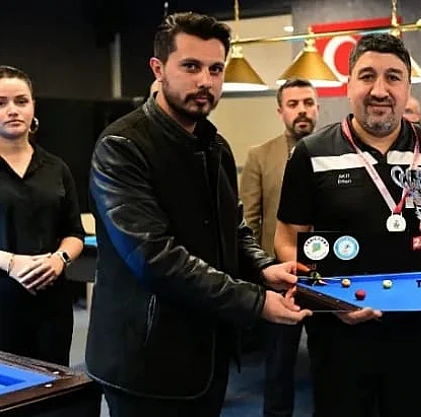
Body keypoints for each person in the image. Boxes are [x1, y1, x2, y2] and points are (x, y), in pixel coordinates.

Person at [85, 12, 311, 416]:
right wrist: (256, 301)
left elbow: (233, 227)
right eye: (191, 66)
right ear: (158, 69)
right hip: (144, 362)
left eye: (215, 69)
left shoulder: (215, 146)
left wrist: (263, 269)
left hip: (206, 352)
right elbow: (155, 258)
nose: (205, 81)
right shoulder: (121, 146)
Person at [274, 33, 421, 417]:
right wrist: (327, 298)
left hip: (418, 327)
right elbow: (287, 240)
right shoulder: (311, 153)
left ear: (408, 87)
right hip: (339, 331)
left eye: (393, 77)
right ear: (349, 85)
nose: (380, 90)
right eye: (367, 76)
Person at [239, 78, 319, 417]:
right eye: (293, 104)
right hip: (280, 275)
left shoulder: (335, 152)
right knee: (279, 362)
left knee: (329, 359)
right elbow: (248, 221)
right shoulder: (260, 156)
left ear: (317, 108)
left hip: (327, 275)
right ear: (280, 111)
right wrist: (258, 274)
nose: (302, 110)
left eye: (308, 103)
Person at [0, 65, 84, 366]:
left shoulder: (56, 168)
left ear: (33, 107)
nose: (13, 110)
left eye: (21, 101)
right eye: (1, 103)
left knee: (54, 384)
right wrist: (12, 263)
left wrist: (59, 259)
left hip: (51, 304)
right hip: (2, 299)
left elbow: (74, 232)